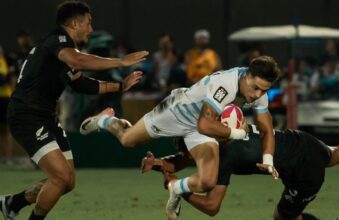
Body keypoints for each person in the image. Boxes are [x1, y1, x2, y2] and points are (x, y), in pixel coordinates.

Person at [79, 55, 281, 219]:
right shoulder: (225, 85)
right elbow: (205, 123)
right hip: (177, 112)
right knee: (127, 140)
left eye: (263, 90)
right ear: (246, 76)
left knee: (208, 181)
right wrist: (237, 133)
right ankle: (106, 120)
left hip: (202, 128)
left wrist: (268, 160)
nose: (257, 95)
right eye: (255, 88)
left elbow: (267, 128)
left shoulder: (259, 93)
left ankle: (175, 188)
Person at [0, 1, 148, 220]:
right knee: (60, 178)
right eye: (89, 23)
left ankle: (13, 203)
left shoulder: (66, 50)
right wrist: (120, 62)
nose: (91, 28)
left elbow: (81, 84)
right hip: (26, 116)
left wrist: (120, 86)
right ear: (76, 23)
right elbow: (76, 59)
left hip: (46, 116)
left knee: (67, 182)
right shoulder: (57, 41)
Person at [141, 124, 339, 220]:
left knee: (283, 218)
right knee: (336, 154)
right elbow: (186, 158)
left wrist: (178, 189)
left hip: (303, 172)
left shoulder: (225, 157)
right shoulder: (220, 132)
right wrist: (159, 165)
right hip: (300, 140)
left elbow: (212, 206)